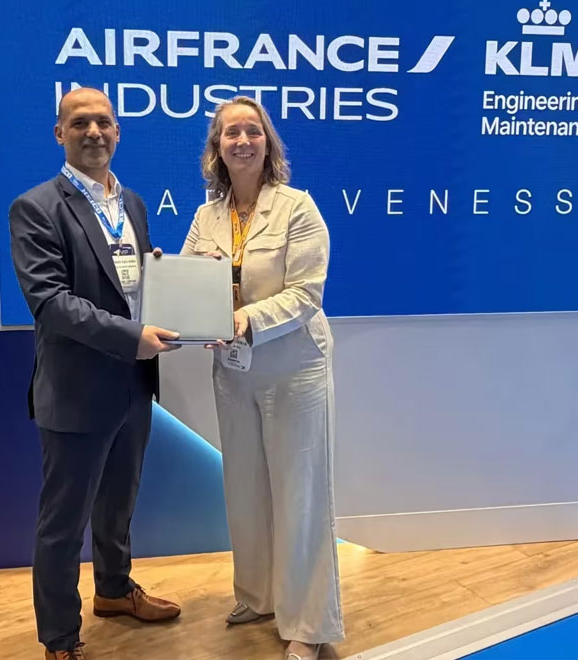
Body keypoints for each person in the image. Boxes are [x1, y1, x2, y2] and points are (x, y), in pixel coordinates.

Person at [9, 87, 182, 660]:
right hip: (77, 389)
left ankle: (113, 590)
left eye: (104, 122)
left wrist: (181, 295)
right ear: (59, 133)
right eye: (80, 122)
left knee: (118, 503)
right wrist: (133, 337)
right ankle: (60, 638)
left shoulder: (132, 203)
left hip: (134, 383)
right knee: (63, 523)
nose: (94, 132)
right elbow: (51, 303)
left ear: (118, 132)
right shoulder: (36, 207)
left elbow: (134, 282)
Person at [181, 96, 344, 660]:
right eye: (231, 133)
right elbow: (190, 285)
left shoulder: (298, 208)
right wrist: (179, 305)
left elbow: (306, 294)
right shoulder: (206, 216)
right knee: (245, 489)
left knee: (300, 495)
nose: (243, 141)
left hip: (294, 368)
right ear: (217, 148)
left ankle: (309, 624)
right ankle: (259, 596)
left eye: (253, 131)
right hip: (233, 372)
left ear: (268, 143)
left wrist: (244, 319)